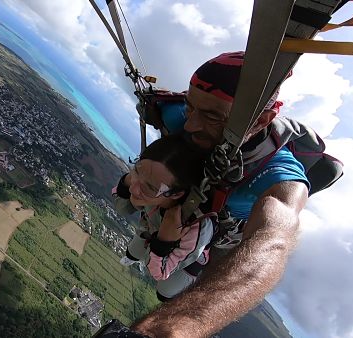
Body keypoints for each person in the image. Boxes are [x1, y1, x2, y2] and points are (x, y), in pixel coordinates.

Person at [127, 51, 311, 337]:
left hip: (211, 240)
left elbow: (274, 241)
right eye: (190, 108)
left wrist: (174, 328)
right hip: (173, 210)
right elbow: (160, 108)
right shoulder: (177, 116)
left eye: (212, 117)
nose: (191, 125)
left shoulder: (279, 176)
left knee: (168, 290)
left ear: (262, 121)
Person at [112, 134, 213, 301]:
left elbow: (160, 273)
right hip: (153, 227)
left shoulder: (196, 228)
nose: (134, 189)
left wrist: (164, 242)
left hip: (188, 252)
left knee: (164, 293)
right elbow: (123, 207)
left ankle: (186, 281)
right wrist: (129, 180)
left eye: (150, 187)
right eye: (137, 170)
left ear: (177, 194)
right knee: (133, 252)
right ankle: (132, 257)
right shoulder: (149, 178)